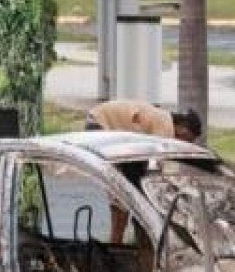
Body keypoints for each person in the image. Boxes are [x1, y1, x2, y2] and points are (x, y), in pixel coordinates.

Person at [84, 99, 202, 243]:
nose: (187, 143)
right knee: (126, 190)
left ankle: (121, 235)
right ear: (183, 129)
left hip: (102, 124)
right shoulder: (165, 126)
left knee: (130, 187)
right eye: (189, 139)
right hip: (101, 125)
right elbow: (159, 165)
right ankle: (118, 240)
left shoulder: (160, 119)